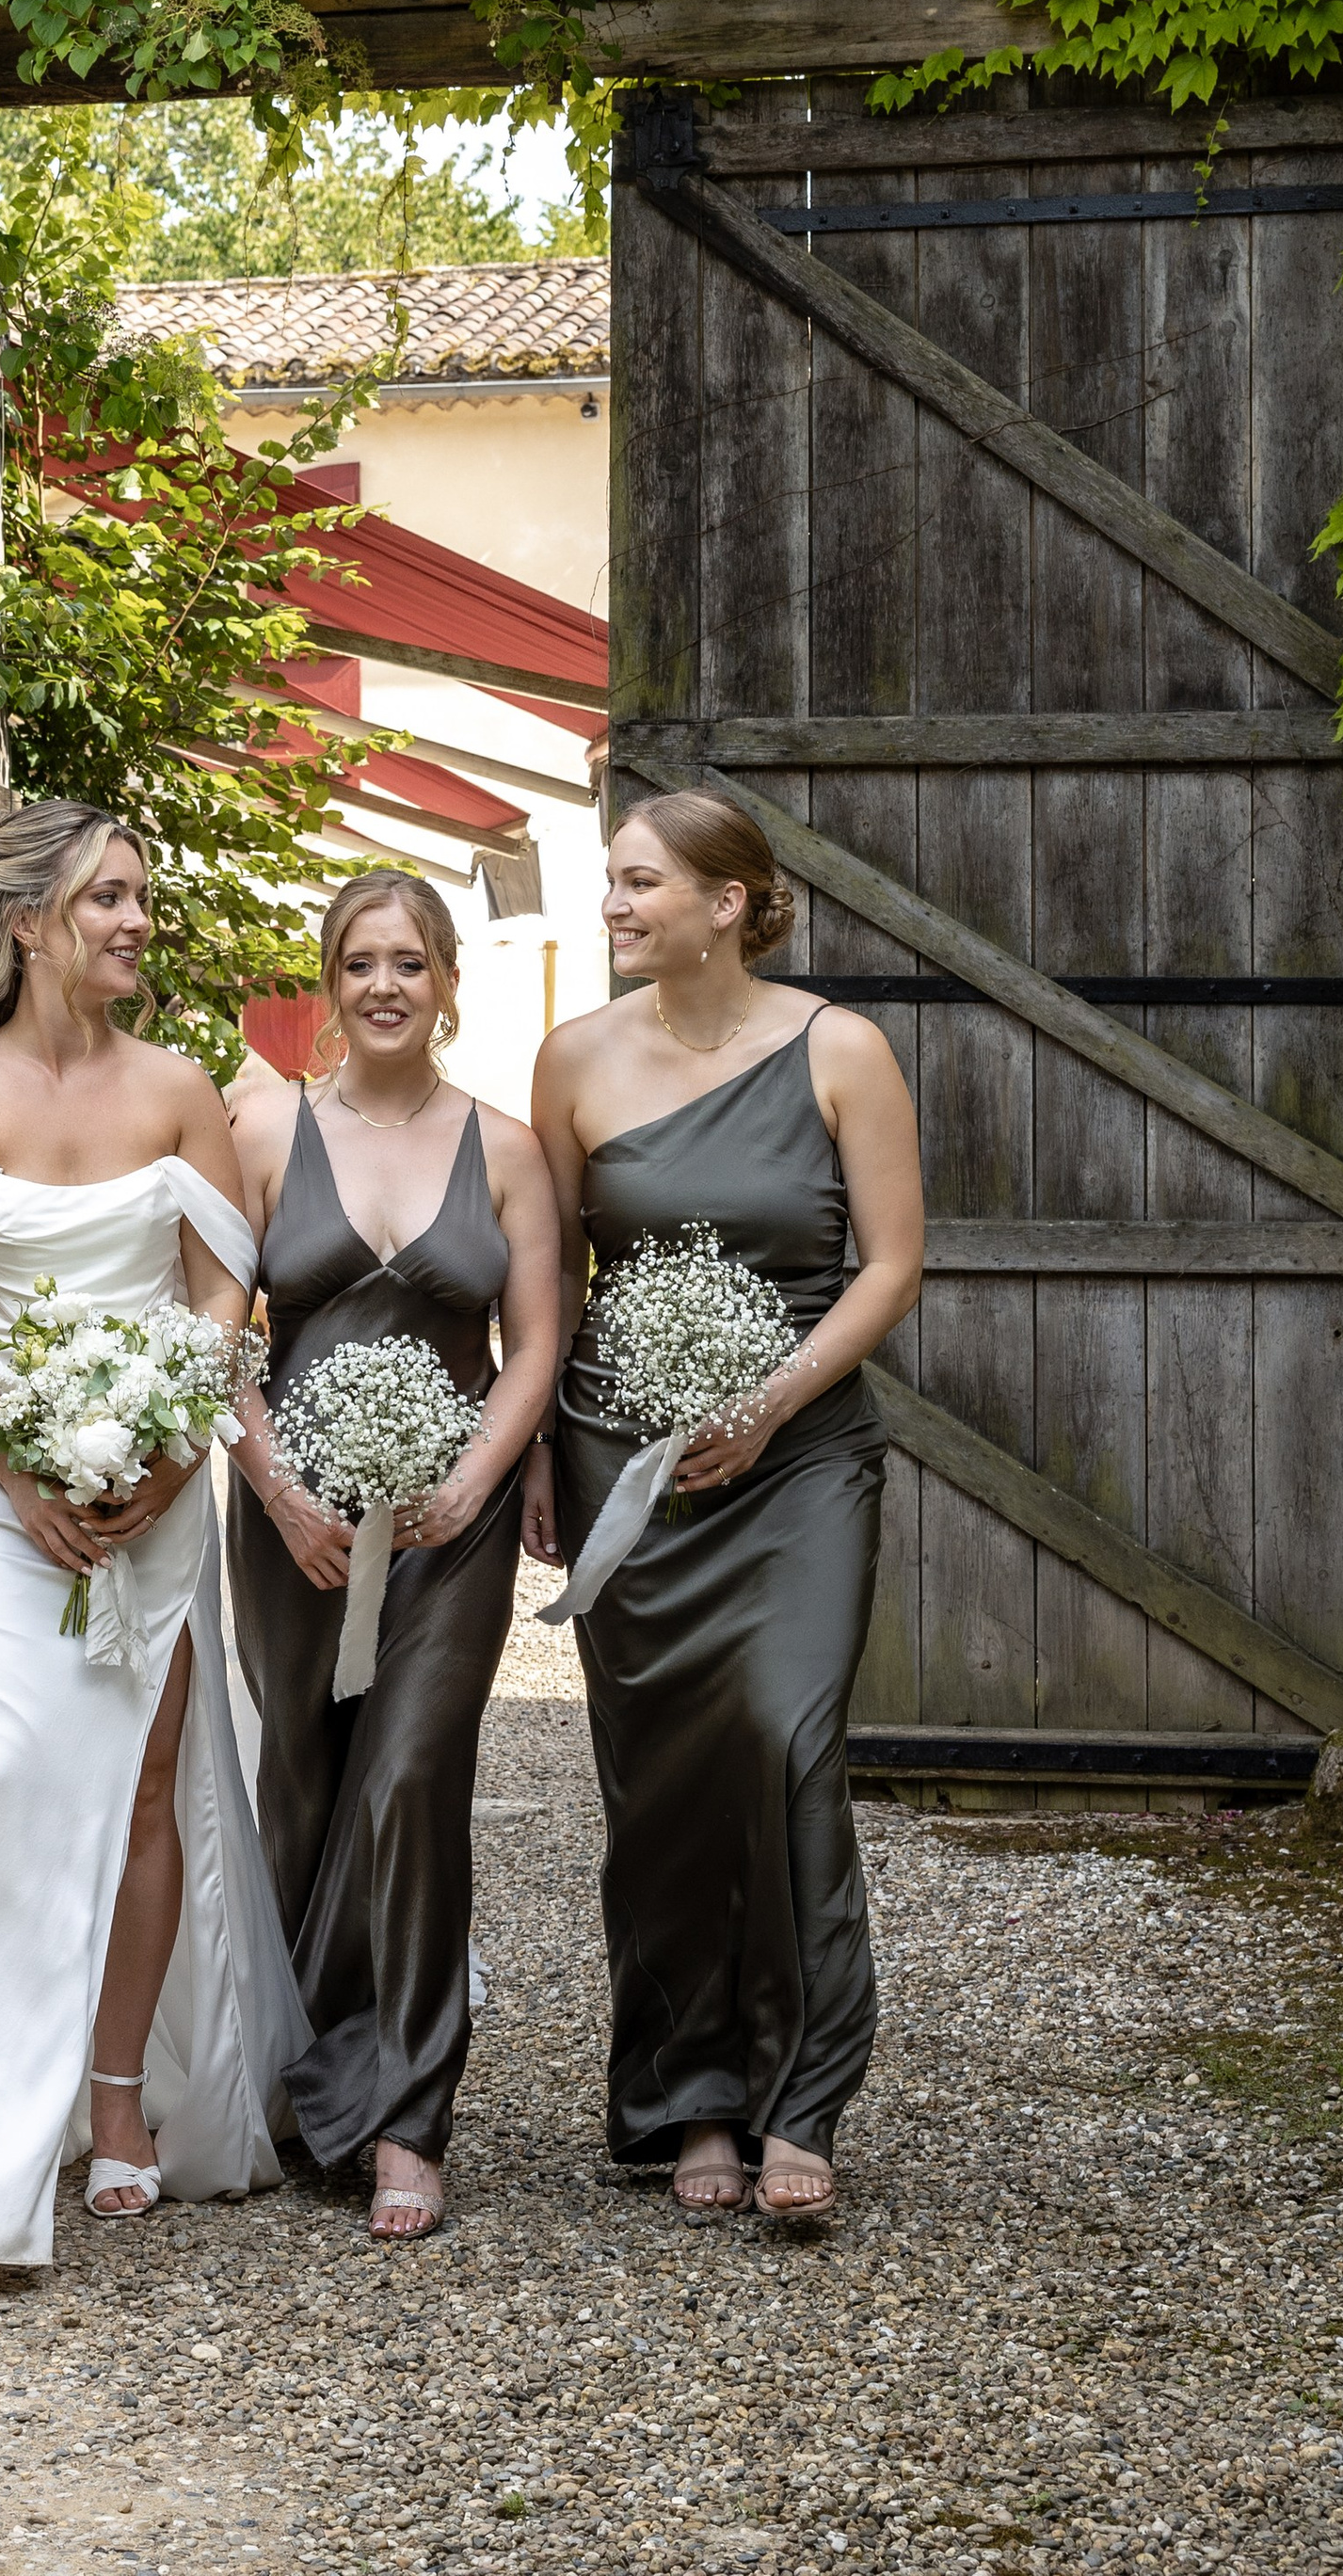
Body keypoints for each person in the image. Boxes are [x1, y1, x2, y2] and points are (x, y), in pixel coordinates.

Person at [0, 801, 307, 2272]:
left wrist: (173, 1459)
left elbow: (220, 1296)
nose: (134, 920)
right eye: (107, 898)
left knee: (140, 1788)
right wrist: (18, 1465)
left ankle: (118, 2102)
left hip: (159, 1484)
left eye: (139, 897)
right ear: (30, 920)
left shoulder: (184, 1091)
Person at [527, 792, 922, 2225]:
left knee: (785, 1735)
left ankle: (802, 2092)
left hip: (803, 1455)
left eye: (640, 884)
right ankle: (689, 2099)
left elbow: (890, 1266)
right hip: (620, 1456)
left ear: (729, 902)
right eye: (612, 882)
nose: (617, 905)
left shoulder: (842, 1052)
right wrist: (532, 1462)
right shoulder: (571, 1062)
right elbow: (551, 1280)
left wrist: (768, 1405)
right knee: (664, 1778)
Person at [227, 873, 561, 2241]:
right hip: (295, 1523)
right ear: (328, 980)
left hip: (447, 1524)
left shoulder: (508, 1148)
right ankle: (309, 2089)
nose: (383, 986)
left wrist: (475, 1476)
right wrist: (280, 1486)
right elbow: (212, 1335)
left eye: (408, 964)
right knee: (303, 1781)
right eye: (360, 962)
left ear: (444, 984)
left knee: (414, 1779)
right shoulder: (259, 1133)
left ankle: (411, 2113)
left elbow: (535, 1340)